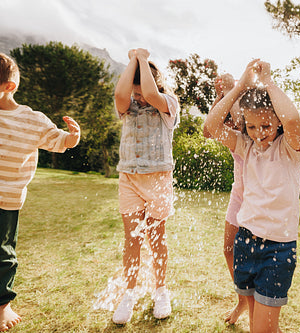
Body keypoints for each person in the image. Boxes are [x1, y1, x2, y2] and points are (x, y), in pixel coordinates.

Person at [205, 59, 300, 333]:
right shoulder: (245, 146)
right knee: (258, 325)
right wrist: (239, 88)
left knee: (261, 330)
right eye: (251, 127)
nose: (259, 134)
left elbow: (293, 119)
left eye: (266, 126)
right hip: (246, 242)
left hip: (278, 250)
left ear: (278, 123)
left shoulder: (289, 150)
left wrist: (268, 81)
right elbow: (213, 127)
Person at [0, 52, 80, 331]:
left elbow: (58, 140)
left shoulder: (31, 119)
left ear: (8, 87)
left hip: (6, 198)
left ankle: (3, 305)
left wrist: (72, 137)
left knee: (3, 253)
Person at [112, 48, 179, 324]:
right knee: (132, 239)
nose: (138, 97)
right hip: (129, 178)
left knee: (156, 238)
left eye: (140, 91)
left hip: (158, 179)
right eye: (136, 92)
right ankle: (129, 293)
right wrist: (132, 62)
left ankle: (160, 290)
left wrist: (141, 58)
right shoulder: (127, 107)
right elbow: (119, 95)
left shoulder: (168, 104)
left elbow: (152, 95)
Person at [203, 73, 247, 324]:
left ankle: (258, 310)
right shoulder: (230, 130)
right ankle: (242, 299)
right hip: (238, 194)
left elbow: (241, 119)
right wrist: (222, 97)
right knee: (228, 249)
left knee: (253, 256)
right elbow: (208, 129)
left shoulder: (248, 129)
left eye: (231, 118)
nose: (229, 123)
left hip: (257, 198)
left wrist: (234, 89)